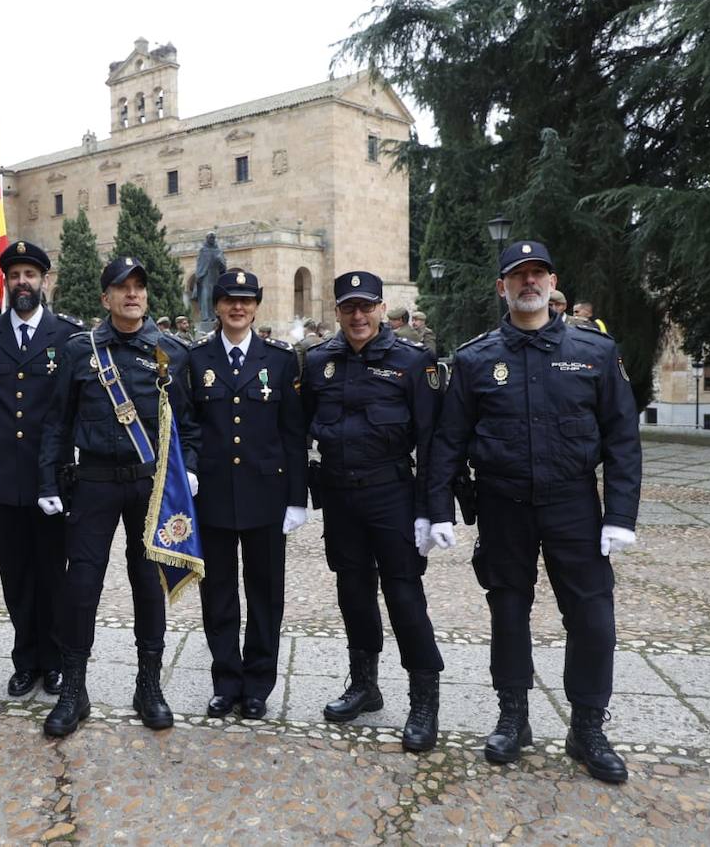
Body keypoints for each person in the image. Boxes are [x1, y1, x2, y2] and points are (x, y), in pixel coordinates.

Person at [426, 240, 640, 783]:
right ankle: (513, 716)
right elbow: (448, 442)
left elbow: (621, 437)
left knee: (593, 618)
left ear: (551, 282)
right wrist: (439, 509)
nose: (528, 283)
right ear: (502, 287)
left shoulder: (593, 352)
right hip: (503, 504)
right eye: (517, 275)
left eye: (537, 274)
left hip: (573, 503)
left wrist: (620, 515)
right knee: (507, 613)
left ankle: (587, 725)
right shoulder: (476, 359)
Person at [37, 257, 200, 737]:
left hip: (149, 485)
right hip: (93, 481)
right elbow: (57, 424)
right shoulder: (78, 352)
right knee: (81, 584)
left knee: (148, 584)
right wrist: (48, 482)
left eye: (139, 288)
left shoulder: (172, 352)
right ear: (105, 297)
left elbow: (189, 424)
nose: (132, 295)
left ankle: (148, 684)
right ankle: (75, 689)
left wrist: (188, 469)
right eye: (121, 288)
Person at [303, 271, 443, 752]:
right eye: (348, 308)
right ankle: (365, 684)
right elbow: (299, 431)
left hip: (391, 495)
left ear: (383, 309)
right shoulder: (318, 361)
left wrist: (431, 510)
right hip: (340, 496)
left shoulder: (412, 362)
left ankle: (424, 699)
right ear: (337, 311)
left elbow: (432, 442)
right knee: (353, 593)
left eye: (367, 307)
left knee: (405, 597)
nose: (358, 317)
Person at [188, 269, 305, 720]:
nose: (238, 307)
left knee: (264, 593)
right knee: (217, 594)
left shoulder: (279, 360)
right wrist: (191, 472)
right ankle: (225, 680)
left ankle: (257, 684)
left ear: (257, 306)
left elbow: (293, 434)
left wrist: (297, 497)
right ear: (216, 306)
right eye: (229, 300)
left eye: (247, 300)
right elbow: (189, 426)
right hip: (213, 496)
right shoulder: (197, 360)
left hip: (265, 495)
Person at [0, 241, 81, 697]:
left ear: (44, 281)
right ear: (5, 282)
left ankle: (53, 660)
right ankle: (25, 659)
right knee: (15, 574)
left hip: (52, 476)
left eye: (30, 275)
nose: (22, 283)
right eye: (14, 275)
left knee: (54, 571)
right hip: (2, 476)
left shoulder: (69, 337)